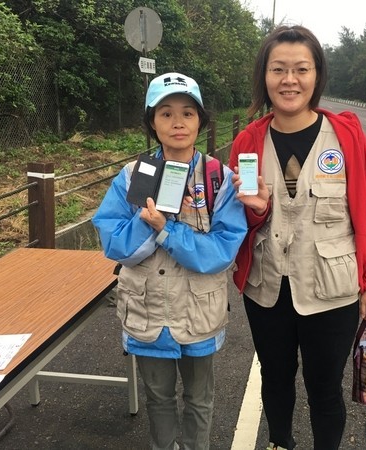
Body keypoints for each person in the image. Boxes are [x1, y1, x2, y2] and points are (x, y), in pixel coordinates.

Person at [228, 26, 366, 450]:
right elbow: (235, 220)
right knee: (275, 378)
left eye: (301, 69)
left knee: (324, 387)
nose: (289, 80)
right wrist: (255, 210)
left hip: (333, 289)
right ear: (265, 76)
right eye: (278, 69)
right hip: (267, 288)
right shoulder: (247, 142)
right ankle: (280, 442)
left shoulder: (348, 138)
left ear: (317, 76)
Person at [92, 72, 247, 450]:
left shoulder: (218, 179)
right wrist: (149, 223)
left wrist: (166, 230)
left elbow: (223, 250)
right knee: (158, 399)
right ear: (151, 122)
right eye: (166, 113)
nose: (177, 123)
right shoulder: (132, 176)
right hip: (147, 313)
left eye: (188, 114)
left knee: (199, 399)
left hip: (198, 314)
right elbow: (112, 241)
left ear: (200, 121)